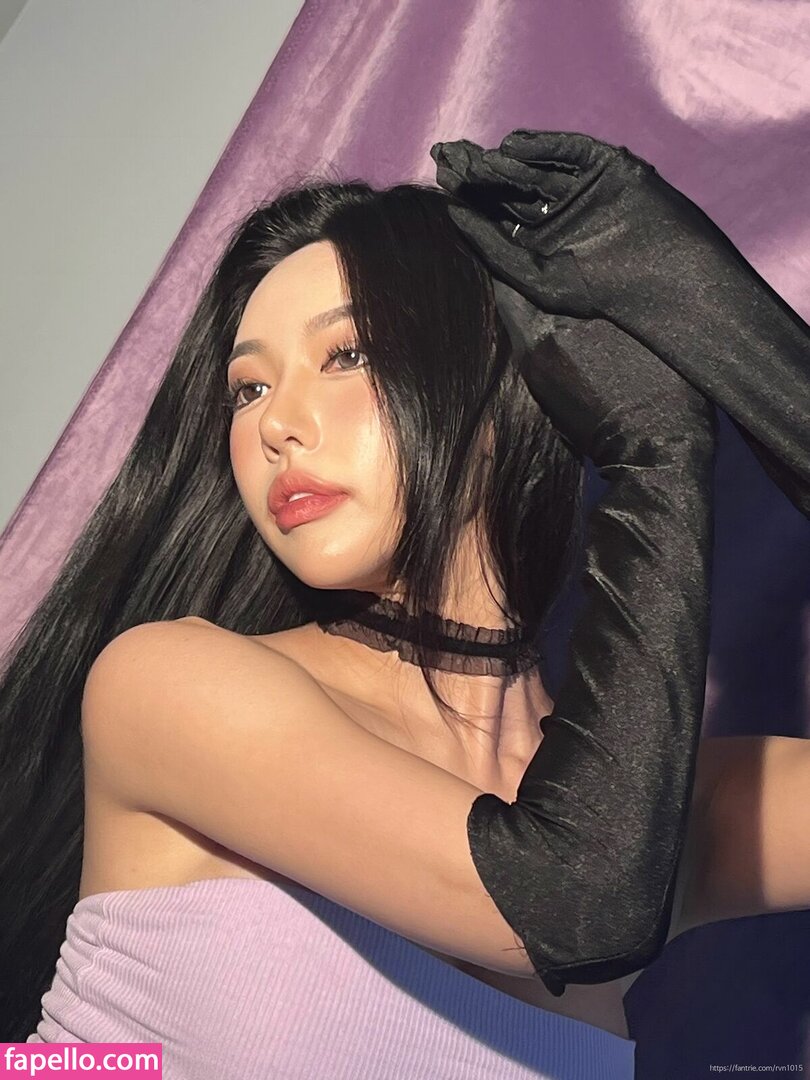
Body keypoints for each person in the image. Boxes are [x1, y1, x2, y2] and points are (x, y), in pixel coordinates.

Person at [1, 166, 807, 1077]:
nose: (277, 424)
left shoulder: (649, 821)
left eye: (346, 353)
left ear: (512, 381)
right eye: (248, 389)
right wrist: (657, 461)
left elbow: (593, 875)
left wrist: (728, 319)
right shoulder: (170, 685)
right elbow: (572, 904)